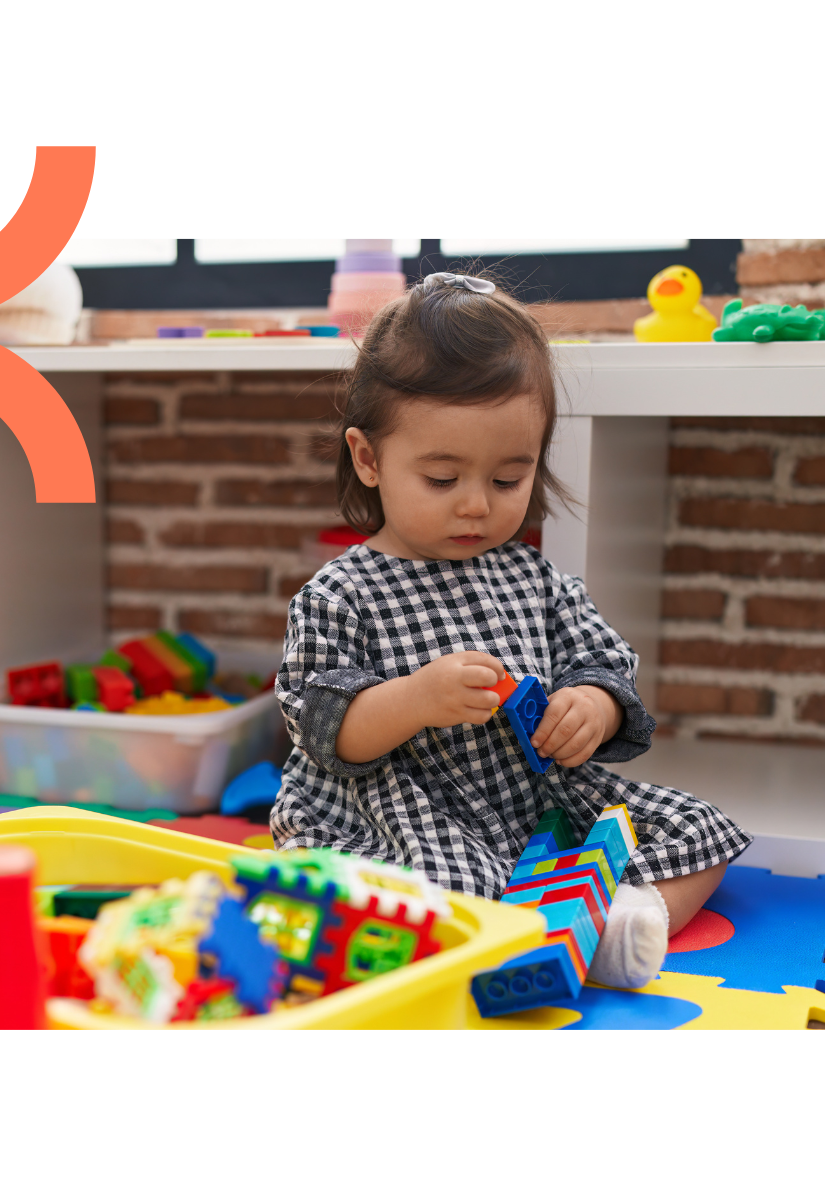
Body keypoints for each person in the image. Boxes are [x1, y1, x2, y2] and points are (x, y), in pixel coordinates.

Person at [273, 272, 750, 988]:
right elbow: (323, 731)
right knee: (427, 890)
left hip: (535, 800)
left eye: (507, 480)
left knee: (701, 830)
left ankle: (624, 923)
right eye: (442, 479)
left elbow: (601, 660)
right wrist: (415, 700)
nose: (476, 506)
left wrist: (592, 706)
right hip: (406, 809)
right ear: (369, 460)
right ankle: (523, 938)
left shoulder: (536, 579)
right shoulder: (340, 594)